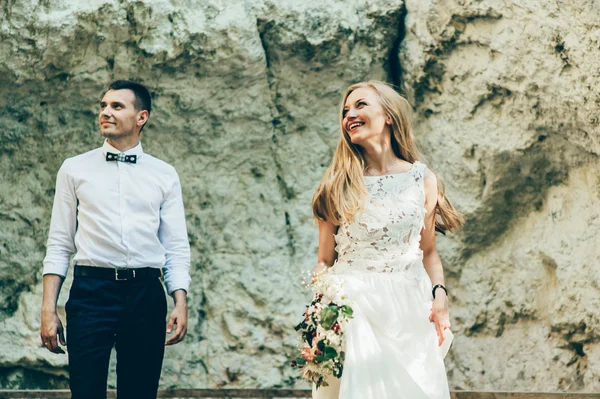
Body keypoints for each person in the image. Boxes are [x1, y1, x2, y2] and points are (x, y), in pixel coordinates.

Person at [311, 80, 463, 399]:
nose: (349, 114)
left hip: (410, 309)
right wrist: (319, 317)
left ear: (389, 115)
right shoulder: (336, 186)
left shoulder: (422, 178)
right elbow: (325, 261)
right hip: (354, 308)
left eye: (360, 105)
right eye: (345, 110)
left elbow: (429, 253)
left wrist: (440, 296)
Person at [40, 80, 191, 399]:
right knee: (86, 391)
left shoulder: (164, 174)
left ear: (142, 117)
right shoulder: (74, 169)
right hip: (91, 292)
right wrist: (48, 309)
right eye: (103, 106)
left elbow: (175, 246)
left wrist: (180, 299)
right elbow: (59, 243)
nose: (105, 112)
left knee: (140, 392)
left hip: (146, 294)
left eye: (116, 106)